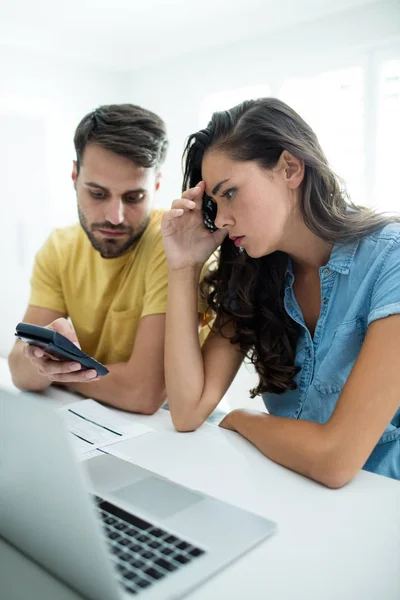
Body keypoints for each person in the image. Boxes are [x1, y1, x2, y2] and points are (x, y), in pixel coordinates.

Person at [161, 97, 400, 486]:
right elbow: (187, 411)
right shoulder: (255, 272)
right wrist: (182, 266)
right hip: (289, 495)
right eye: (213, 204)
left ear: (290, 168)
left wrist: (243, 419)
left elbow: (335, 460)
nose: (221, 219)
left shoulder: (391, 259)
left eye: (231, 193)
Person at [8, 103, 189, 414]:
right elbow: (18, 370)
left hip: (169, 429)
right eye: (98, 193)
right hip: (98, 416)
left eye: (134, 197)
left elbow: (143, 393)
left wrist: (58, 374)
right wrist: (41, 365)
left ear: (156, 185)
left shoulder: (174, 244)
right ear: (75, 176)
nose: (114, 217)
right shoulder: (59, 248)